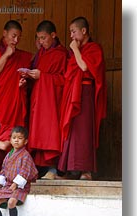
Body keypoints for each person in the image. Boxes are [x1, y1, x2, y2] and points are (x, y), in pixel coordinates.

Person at [58, 17, 107, 180]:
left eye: (73, 31)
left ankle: (86, 171)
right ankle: (68, 170)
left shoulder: (94, 49)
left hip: (85, 93)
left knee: (84, 131)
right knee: (72, 130)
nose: (71, 36)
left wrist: (75, 50)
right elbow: (69, 73)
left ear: (84, 31)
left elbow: (85, 66)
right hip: (73, 92)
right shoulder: (75, 51)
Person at [25, 20, 68, 179]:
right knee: (38, 131)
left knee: (50, 132)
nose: (40, 42)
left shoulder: (61, 54)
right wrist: (28, 78)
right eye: (38, 38)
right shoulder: (40, 54)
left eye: (43, 38)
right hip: (39, 97)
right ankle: (41, 169)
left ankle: (53, 168)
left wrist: (43, 76)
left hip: (52, 100)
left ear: (53, 35)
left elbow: (65, 79)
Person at [0, 20, 32, 128]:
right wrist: (6, 55)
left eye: (19, 37)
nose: (16, 40)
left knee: (12, 131)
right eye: (14, 36)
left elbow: (28, 80)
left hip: (12, 102)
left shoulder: (22, 56)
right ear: (4, 33)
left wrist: (24, 83)